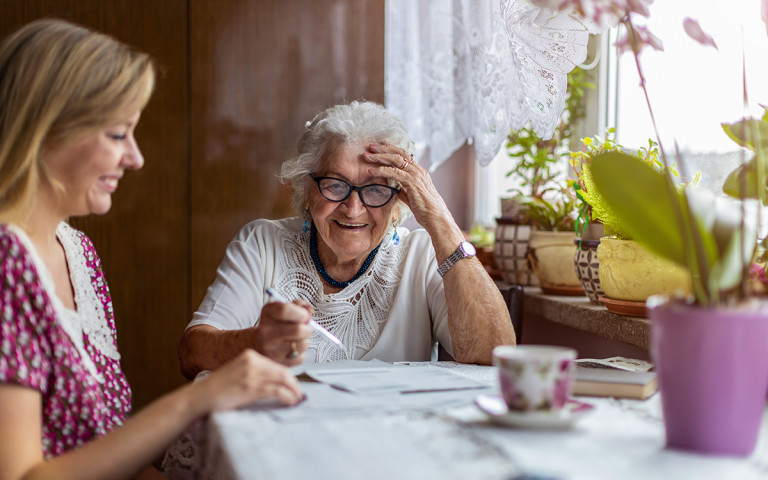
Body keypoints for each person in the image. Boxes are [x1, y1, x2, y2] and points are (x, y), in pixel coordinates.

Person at [0, 19, 303, 480]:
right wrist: (199, 398)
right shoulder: (7, 261)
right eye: (118, 134)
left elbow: (107, 441)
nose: (136, 158)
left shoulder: (77, 251)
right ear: (48, 130)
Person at [179, 100, 516, 378]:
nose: (354, 209)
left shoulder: (422, 255)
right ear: (307, 190)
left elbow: (496, 356)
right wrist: (255, 341)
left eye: (375, 189)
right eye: (335, 185)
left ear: (400, 199)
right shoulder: (262, 243)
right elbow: (192, 353)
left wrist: (440, 219)